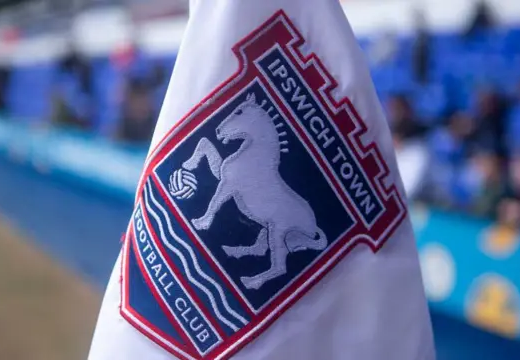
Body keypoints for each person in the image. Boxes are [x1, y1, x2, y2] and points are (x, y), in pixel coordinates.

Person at [89, 1, 435, 359]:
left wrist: (207, 218)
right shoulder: (243, 156)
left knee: (275, 227)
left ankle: (270, 266)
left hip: (289, 231)